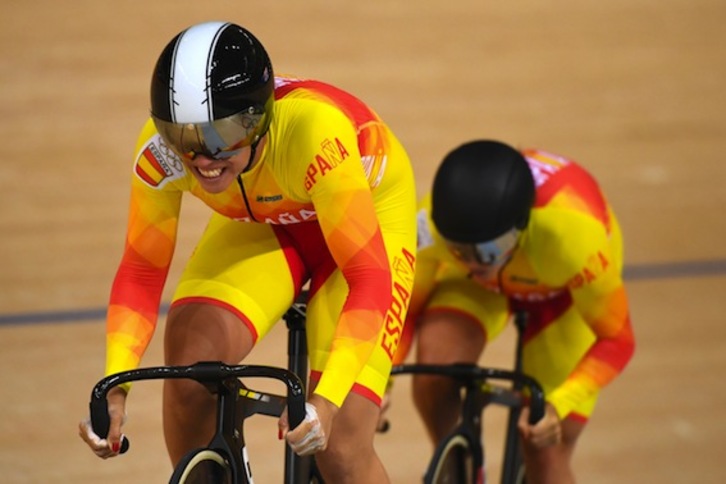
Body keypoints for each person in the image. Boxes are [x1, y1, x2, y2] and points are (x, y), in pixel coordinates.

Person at [78, 20, 417, 483]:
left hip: (367, 223)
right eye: (184, 138)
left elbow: (369, 277)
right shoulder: (161, 155)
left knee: (341, 444)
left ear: (258, 121)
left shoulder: (316, 134)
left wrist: (327, 399)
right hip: (270, 223)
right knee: (189, 373)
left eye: (220, 136)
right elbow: (141, 270)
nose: (202, 159)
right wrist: (116, 387)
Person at [392, 140, 636, 483]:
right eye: (459, 251)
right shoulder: (429, 225)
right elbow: (401, 310)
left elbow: (617, 338)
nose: (475, 262)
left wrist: (559, 403)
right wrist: (380, 383)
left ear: (521, 226)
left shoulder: (574, 238)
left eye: (488, 251)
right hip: (480, 290)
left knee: (545, 443)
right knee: (433, 373)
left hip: (562, 297)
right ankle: (457, 467)